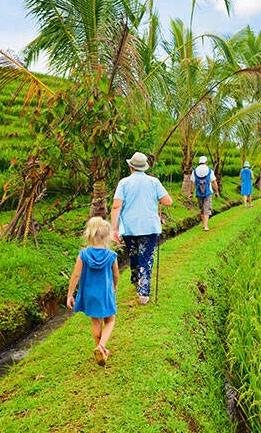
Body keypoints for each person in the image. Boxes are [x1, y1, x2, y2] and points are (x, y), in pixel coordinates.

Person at [111, 152, 172, 305]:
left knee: (134, 254)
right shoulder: (154, 182)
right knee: (146, 257)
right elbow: (168, 201)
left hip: (130, 227)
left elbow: (116, 206)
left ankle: (136, 281)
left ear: (130, 166)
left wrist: (114, 229)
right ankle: (143, 293)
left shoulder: (124, 183)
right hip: (149, 226)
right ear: (144, 167)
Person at [67, 217, 119, 366]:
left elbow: (76, 275)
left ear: (89, 235)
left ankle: (100, 349)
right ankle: (101, 347)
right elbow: (116, 274)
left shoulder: (83, 255)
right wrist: (114, 286)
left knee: (96, 322)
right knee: (110, 319)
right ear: (107, 236)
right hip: (104, 293)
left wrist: (70, 294)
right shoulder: (111, 256)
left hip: (89, 294)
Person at [189, 155, 219, 231]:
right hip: (208, 192)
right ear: (206, 162)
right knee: (207, 208)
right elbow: (214, 182)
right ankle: (205, 226)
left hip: (199, 192)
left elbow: (192, 183)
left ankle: (203, 224)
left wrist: (191, 193)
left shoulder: (195, 171)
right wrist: (216, 191)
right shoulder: (209, 170)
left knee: (202, 208)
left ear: (199, 162)